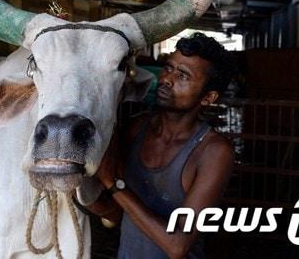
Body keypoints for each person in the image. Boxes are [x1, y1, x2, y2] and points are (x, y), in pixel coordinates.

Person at [91, 32, 237, 259]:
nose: (167, 79)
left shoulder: (213, 152)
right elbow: (120, 213)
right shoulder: (136, 128)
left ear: (208, 98)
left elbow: (178, 245)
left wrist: (113, 184)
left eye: (183, 76)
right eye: (168, 68)